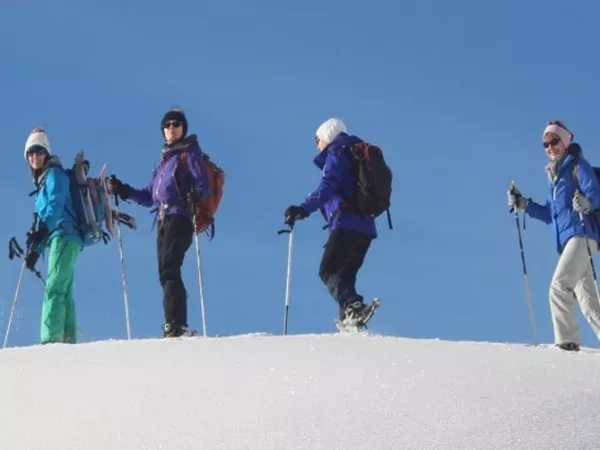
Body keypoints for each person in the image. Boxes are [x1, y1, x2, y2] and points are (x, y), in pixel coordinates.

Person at [107, 108, 209, 338]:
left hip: (180, 217)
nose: (171, 128)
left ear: (183, 128)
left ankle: (176, 323)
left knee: (170, 267)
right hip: (163, 219)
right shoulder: (164, 161)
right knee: (165, 271)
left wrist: (195, 196)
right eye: (167, 125)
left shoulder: (190, 152)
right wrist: (123, 189)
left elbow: (203, 183)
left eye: (176, 124)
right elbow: (150, 196)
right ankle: (173, 322)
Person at [508, 120, 600, 351]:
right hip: (570, 239)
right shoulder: (555, 178)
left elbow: (594, 192)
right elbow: (550, 214)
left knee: (559, 287)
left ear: (565, 141)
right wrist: (523, 204)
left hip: (582, 234)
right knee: (588, 300)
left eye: (554, 141)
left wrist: (588, 203)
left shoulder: (578, 166)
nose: (550, 147)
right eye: (545, 144)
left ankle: (567, 342)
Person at [284, 118, 379, 330]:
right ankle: (351, 322)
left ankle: (353, 307)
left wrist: (303, 208)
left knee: (328, 271)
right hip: (366, 227)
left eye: (318, 140)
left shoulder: (337, 154)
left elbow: (327, 187)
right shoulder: (356, 155)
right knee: (345, 276)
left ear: (327, 137)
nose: (317, 145)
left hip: (346, 223)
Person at [23, 128, 83, 344]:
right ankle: (67, 338)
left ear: (46, 153)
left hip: (64, 233)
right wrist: (35, 252)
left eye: (39, 152)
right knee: (63, 288)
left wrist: (42, 231)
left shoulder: (55, 174)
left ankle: (51, 339)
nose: (34, 157)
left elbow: (57, 204)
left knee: (55, 287)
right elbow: (42, 222)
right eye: (31, 153)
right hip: (62, 236)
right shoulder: (41, 184)